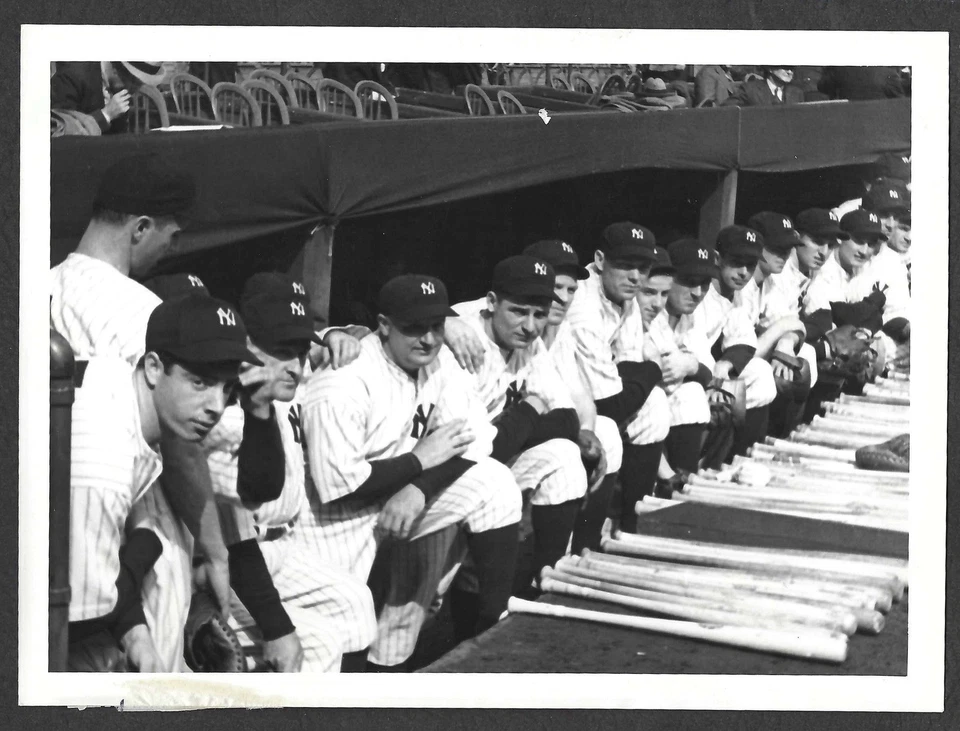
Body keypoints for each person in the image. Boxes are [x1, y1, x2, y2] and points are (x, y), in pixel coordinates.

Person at [301, 274, 522, 671]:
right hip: (329, 521)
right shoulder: (344, 380)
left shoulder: (437, 361)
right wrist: (418, 464)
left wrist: (419, 488)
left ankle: (491, 633)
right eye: (413, 328)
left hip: (397, 496)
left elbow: (474, 440)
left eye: (436, 327)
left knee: (494, 482)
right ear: (384, 325)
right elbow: (339, 487)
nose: (428, 339)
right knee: (338, 633)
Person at [66, 292, 261, 671]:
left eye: (227, 388)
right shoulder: (105, 457)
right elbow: (81, 614)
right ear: (154, 368)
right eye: (200, 382)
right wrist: (146, 542)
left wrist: (137, 637)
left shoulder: (116, 377)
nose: (217, 406)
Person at [203, 273, 378, 672]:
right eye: (282, 350)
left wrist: (336, 332)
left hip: (282, 546)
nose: (295, 366)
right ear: (246, 343)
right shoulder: (223, 414)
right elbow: (236, 537)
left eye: (300, 352)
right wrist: (276, 626)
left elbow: (347, 336)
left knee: (356, 602)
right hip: (235, 562)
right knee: (320, 644)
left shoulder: (285, 381)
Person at [447, 255, 593, 587]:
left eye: (539, 314)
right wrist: (531, 409)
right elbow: (485, 448)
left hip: (488, 463)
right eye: (519, 311)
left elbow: (567, 419)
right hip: (440, 473)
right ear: (491, 302)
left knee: (565, 455)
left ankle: (545, 579)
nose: (530, 325)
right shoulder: (465, 342)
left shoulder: (530, 343)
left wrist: (520, 421)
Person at [563, 222, 671, 533]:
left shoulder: (624, 296)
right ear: (599, 260)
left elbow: (629, 366)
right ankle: (586, 537)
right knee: (609, 428)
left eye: (643, 267)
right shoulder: (583, 307)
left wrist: (644, 372)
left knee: (655, 403)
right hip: (559, 400)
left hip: (591, 395)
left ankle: (631, 521)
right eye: (625, 265)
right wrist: (653, 369)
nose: (636, 277)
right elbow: (612, 402)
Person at [694, 225, 778, 457]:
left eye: (750, 265)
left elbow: (744, 341)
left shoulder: (737, 292)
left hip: (712, 369)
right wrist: (715, 374)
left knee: (761, 373)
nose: (743, 272)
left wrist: (726, 365)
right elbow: (693, 346)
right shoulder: (700, 289)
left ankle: (740, 456)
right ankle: (705, 462)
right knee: (719, 399)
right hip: (688, 372)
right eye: (736, 262)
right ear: (718, 259)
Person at [639, 239, 715, 473]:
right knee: (688, 395)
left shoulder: (690, 316)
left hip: (665, 417)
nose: (698, 292)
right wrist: (693, 368)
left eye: (704, 283)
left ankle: (684, 477)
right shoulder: (647, 314)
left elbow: (707, 371)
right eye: (690, 282)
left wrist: (691, 365)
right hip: (639, 413)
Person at [741, 211, 818, 437]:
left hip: (747, 359)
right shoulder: (743, 284)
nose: (783, 255)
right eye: (776, 248)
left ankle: (785, 435)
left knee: (805, 354)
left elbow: (795, 325)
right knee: (763, 372)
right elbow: (744, 355)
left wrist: (785, 342)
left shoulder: (771, 281)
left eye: (787, 248)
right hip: (720, 365)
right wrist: (783, 328)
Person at [803, 208, 910, 366]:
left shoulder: (863, 267)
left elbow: (891, 314)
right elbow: (840, 332)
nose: (864, 251)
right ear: (840, 238)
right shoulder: (825, 271)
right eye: (859, 241)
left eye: (871, 244)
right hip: (824, 351)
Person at [50, 62, 166, 134]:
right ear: (116, 67)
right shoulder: (73, 74)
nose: (133, 89)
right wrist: (106, 115)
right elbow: (59, 131)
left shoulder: (117, 85)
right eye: (132, 81)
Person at [722, 66, 803, 106]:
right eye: (785, 68)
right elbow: (726, 110)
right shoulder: (750, 90)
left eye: (792, 69)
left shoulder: (797, 93)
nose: (789, 72)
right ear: (770, 68)